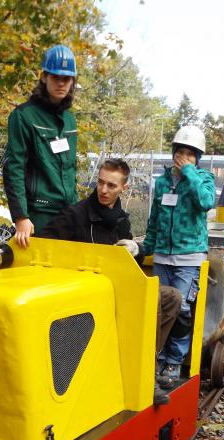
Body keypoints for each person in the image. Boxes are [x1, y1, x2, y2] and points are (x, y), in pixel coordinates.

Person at [41, 158, 182, 405]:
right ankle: (145, 376)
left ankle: (145, 360)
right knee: (154, 298)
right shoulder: (75, 215)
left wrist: (135, 249)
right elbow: (44, 246)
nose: (104, 190)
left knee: (172, 297)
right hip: (85, 292)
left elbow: (129, 266)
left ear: (123, 188)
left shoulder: (121, 219)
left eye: (111, 186)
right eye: (101, 183)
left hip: (115, 285)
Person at [143, 125, 216, 388]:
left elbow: (206, 202)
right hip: (163, 256)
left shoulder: (203, 179)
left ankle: (175, 359)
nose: (183, 157)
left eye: (190, 153)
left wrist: (189, 173)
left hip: (189, 258)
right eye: (180, 152)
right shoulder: (162, 181)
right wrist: (146, 247)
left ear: (197, 157)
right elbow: (155, 217)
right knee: (160, 309)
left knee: (183, 309)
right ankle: (157, 356)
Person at [2, 44, 79, 248]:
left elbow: (71, 170)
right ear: (44, 77)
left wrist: (79, 211)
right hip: (38, 217)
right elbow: (14, 168)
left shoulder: (70, 121)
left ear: (72, 81)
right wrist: (20, 217)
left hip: (68, 214)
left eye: (66, 78)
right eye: (56, 77)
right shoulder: (24, 116)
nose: (61, 83)